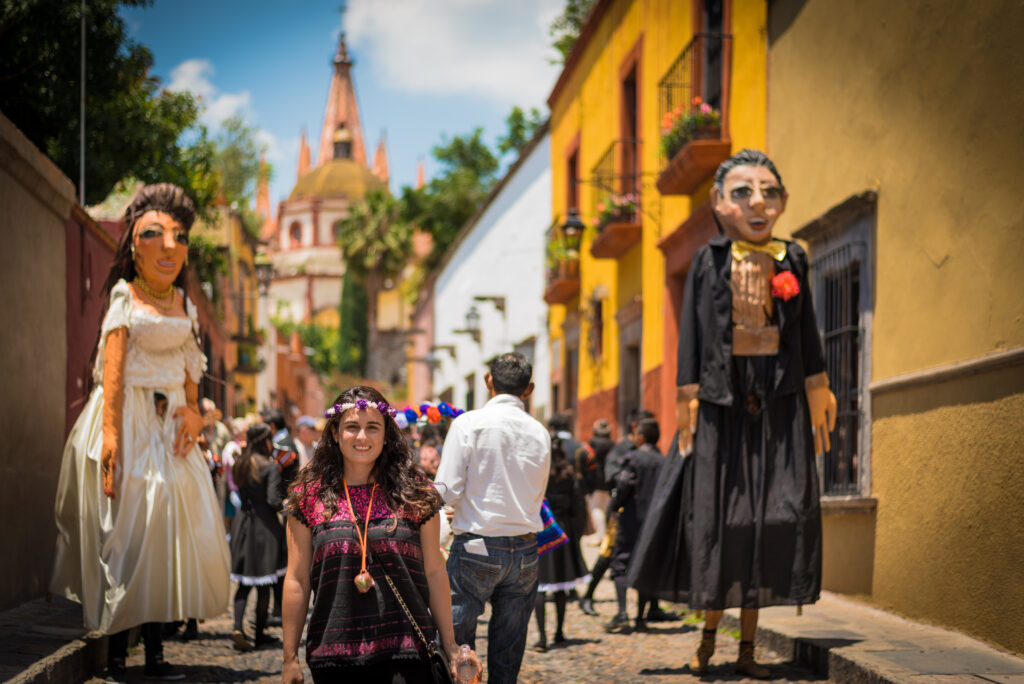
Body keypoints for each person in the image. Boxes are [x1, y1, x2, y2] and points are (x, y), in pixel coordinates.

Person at [628, 149, 837, 677]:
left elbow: (807, 328)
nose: (757, 202)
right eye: (742, 191)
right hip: (722, 406)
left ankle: (746, 651)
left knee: (765, 525)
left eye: (768, 191)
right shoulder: (708, 260)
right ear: (719, 204)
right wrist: (686, 398)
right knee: (722, 523)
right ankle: (707, 639)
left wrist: (818, 386)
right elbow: (693, 333)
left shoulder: (796, 257)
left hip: (778, 405)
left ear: (784, 201)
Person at [50, 183, 230, 681]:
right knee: (124, 538)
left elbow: (192, 376)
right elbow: (112, 373)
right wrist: (110, 438)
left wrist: (194, 415)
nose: (170, 246)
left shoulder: (184, 305)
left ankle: (154, 655)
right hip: (128, 424)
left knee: (162, 541)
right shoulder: (124, 297)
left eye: (179, 236)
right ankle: (113, 657)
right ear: (133, 244)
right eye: (155, 234)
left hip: (170, 435)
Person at [281, 386, 478, 683]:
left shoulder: (415, 495)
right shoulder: (308, 499)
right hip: (333, 656)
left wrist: (449, 644)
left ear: (386, 434)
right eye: (351, 427)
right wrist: (289, 659)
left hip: (406, 652)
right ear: (335, 433)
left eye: (373, 427)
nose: (362, 437)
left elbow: (435, 572)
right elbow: (297, 580)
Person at [435, 352, 551, 684]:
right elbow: (537, 492)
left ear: (489, 381)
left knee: (456, 641)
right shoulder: (539, 432)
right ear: (528, 389)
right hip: (526, 552)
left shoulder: (469, 424)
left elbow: (446, 489)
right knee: (509, 648)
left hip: (477, 548)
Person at [604, 419, 665, 633]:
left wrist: (613, 508)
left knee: (620, 564)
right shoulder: (664, 462)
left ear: (640, 437)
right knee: (646, 566)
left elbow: (622, 487)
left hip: (631, 520)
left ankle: (622, 613)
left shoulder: (633, 459)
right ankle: (640, 617)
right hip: (655, 522)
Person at [229, 422, 285, 652]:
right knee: (264, 584)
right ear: (265, 441)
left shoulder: (240, 462)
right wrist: (287, 504)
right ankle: (260, 635)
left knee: (243, 583)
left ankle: (237, 627)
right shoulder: (269, 467)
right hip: (264, 528)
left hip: (243, 524)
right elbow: (272, 500)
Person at [532, 433, 589, 652]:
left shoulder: (539, 475)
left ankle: (542, 638)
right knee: (561, 586)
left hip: (543, 529)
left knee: (541, 586)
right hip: (563, 531)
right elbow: (578, 507)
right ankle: (559, 632)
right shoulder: (569, 475)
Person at [261, 406, 299, 625]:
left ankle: (279, 609)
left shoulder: (283, 445)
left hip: (283, 504)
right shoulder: (284, 442)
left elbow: (275, 467)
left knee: (283, 559)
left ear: (272, 426)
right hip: (282, 503)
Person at [586, 419, 615, 542]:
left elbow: (588, 460)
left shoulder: (593, 443)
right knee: (607, 507)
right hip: (609, 480)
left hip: (595, 480)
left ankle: (601, 535)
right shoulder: (612, 444)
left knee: (596, 508)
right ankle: (606, 536)